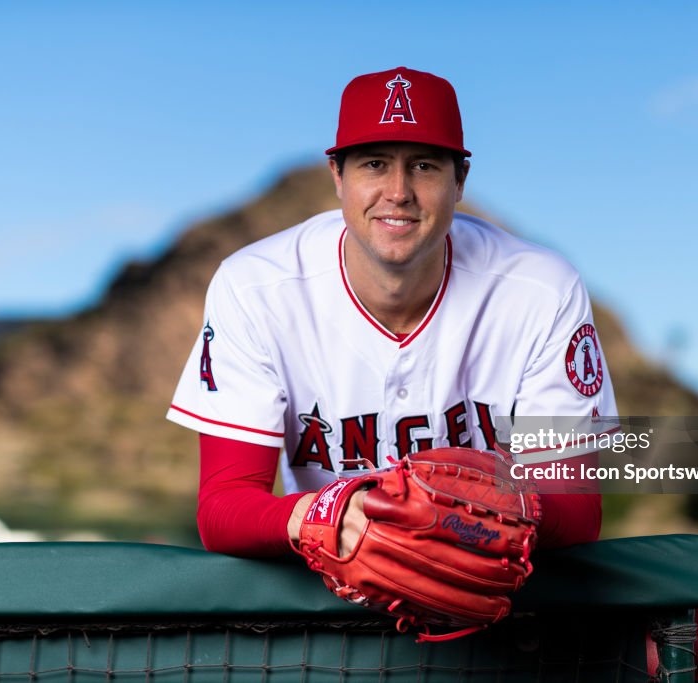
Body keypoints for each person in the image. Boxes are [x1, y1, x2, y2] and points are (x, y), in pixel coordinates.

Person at [167, 66, 617, 558]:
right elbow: (223, 507)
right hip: (332, 589)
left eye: (423, 165)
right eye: (375, 164)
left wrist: (452, 515)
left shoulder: (541, 290)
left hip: (498, 603)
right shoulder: (255, 287)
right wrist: (331, 513)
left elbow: (576, 507)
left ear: (460, 179)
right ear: (337, 176)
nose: (398, 191)